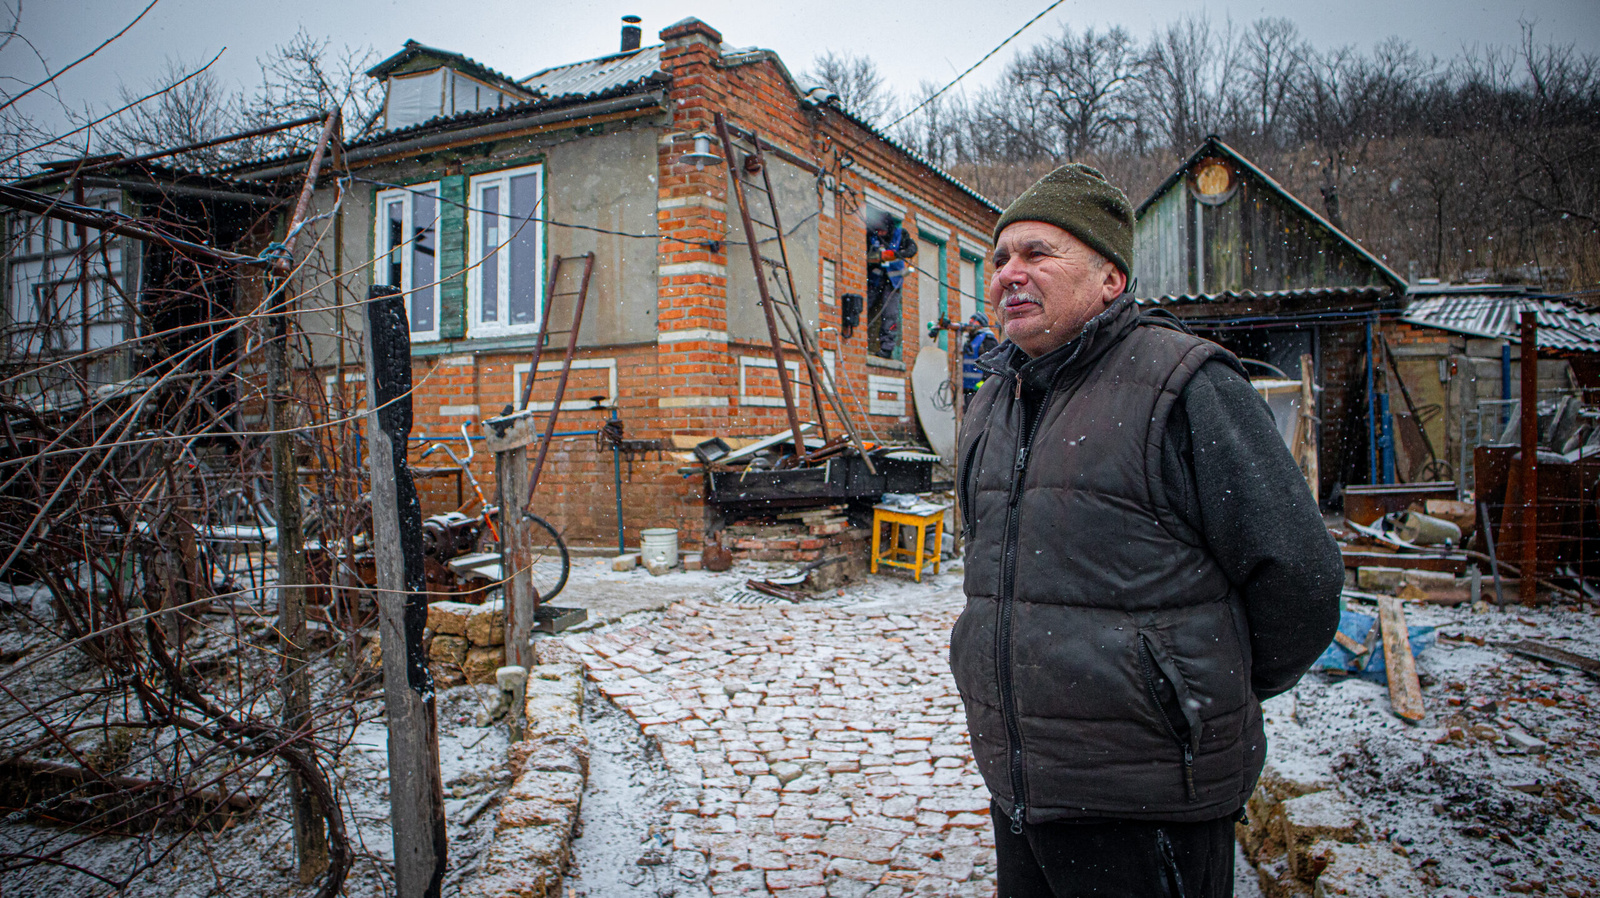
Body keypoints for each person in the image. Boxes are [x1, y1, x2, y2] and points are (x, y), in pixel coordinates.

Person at [950, 163, 1342, 897]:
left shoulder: (1188, 385)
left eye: (1038, 253)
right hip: (1022, 788)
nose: (1008, 274)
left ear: (1111, 278)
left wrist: (1187, 694)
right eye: (1000, 258)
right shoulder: (995, 397)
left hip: (1149, 802)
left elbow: (1301, 579)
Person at [865, 210, 917, 359]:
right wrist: (877, 257)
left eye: (882, 230)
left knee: (890, 314)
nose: (880, 233)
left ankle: (887, 348)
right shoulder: (871, 235)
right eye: (878, 230)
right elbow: (865, 254)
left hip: (893, 283)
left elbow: (912, 249)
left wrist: (896, 254)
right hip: (874, 280)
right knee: (866, 306)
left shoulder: (900, 235)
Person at [961, 311, 997, 403]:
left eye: (974, 320)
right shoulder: (971, 340)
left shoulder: (987, 340)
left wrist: (985, 381)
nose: (970, 322)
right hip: (968, 388)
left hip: (980, 389)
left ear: (981, 324)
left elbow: (992, 363)